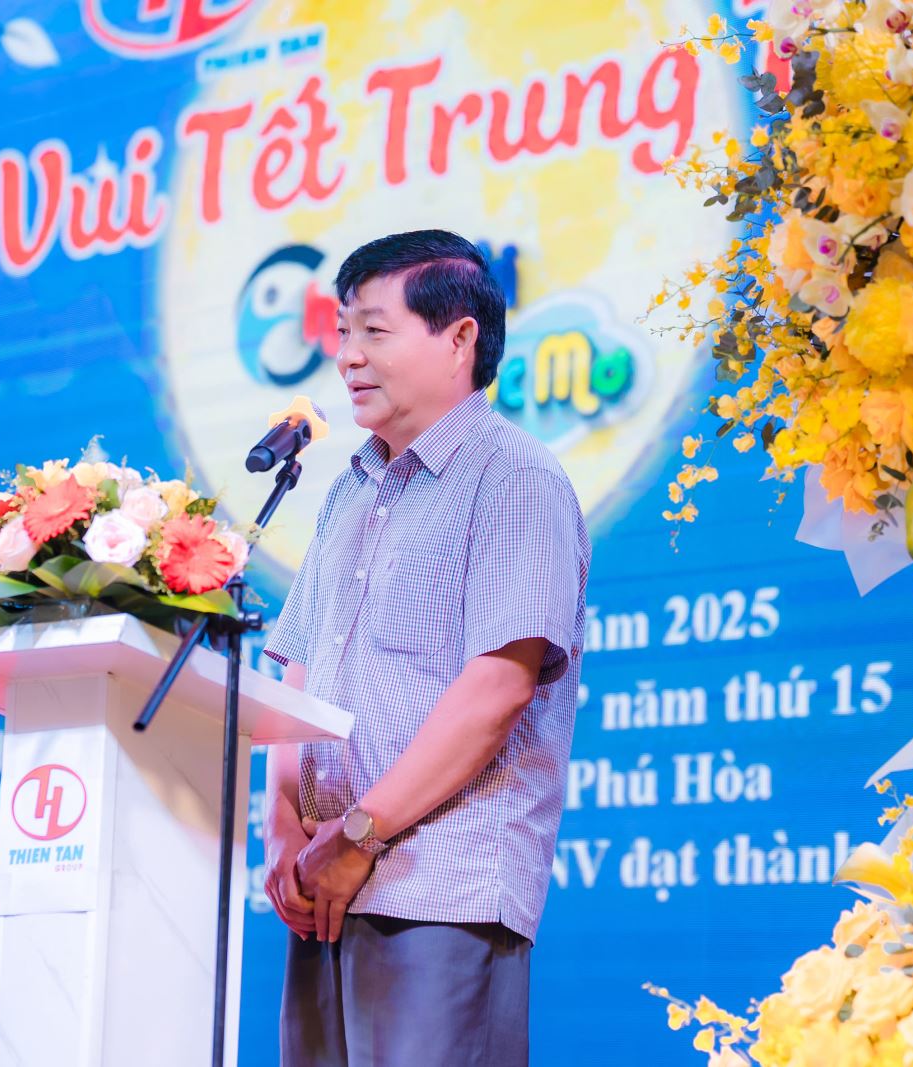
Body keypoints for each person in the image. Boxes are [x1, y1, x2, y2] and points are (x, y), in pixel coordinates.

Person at [261, 229, 591, 1066]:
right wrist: (283, 829)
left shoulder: (514, 477)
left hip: (440, 888)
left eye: (374, 331)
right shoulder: (346, 490)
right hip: (322, 886)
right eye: (343, 332)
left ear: (458, 338)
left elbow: (496, 689)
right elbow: (299, 667)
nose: (348, 356)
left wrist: (358, 836)